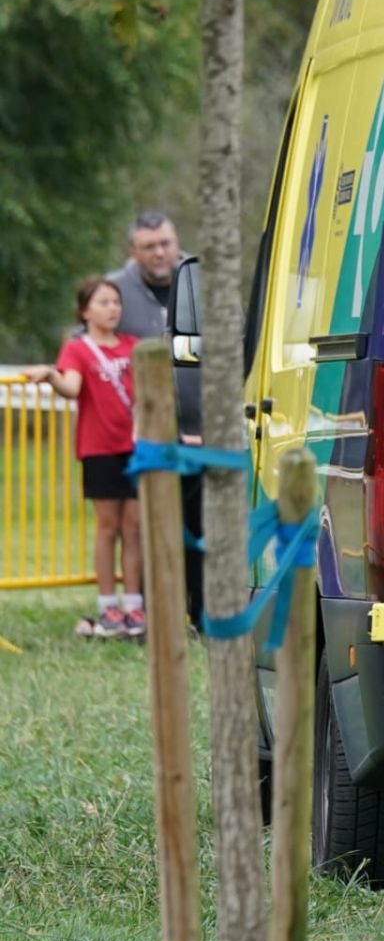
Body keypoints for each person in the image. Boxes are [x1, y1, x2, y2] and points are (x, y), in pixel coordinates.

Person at [26, 277, 142, 638]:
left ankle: (134, 608)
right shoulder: (78, 349)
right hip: (99, 449)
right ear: (84, 310)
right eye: (104, 302)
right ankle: (108, 608)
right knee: (108, 528)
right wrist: (50, 375)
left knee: (133, 529)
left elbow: (145, 395)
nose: (112, 308)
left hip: (135, 448)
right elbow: (71, 388)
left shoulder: (133, 346)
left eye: (116, 302)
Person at [105, 211, 203, 626]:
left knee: (201, 527)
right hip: (142, 437)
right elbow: (86, 342)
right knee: (144, 527)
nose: (160, 252)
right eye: (149, 246)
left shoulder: (200, 280)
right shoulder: (115, 291)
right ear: (134, 251)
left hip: (201, 433)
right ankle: (148, 613)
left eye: (165, 242)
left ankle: (202, 611)